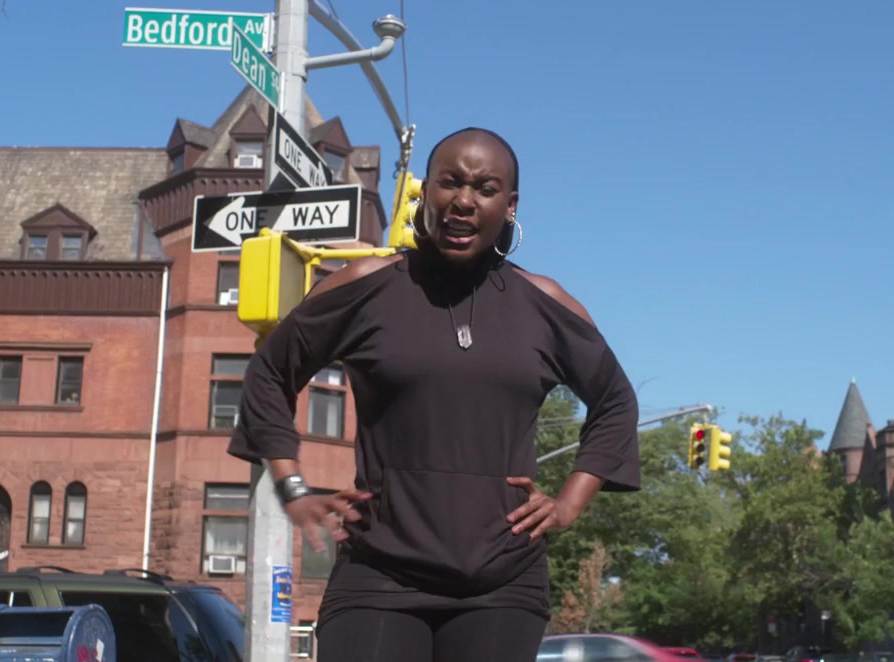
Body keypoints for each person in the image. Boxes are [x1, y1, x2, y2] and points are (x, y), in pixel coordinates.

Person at [227, 127, 641, 662]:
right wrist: (293, 485)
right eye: (450, 182)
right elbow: (269, 371)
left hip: (503, 582)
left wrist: (568, 504)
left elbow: (615, 401)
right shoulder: (367, 285)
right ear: (426, 192)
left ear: (510, 206)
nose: (464, 201)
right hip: (379, 573)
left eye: (485, 189)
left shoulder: (545, 304)